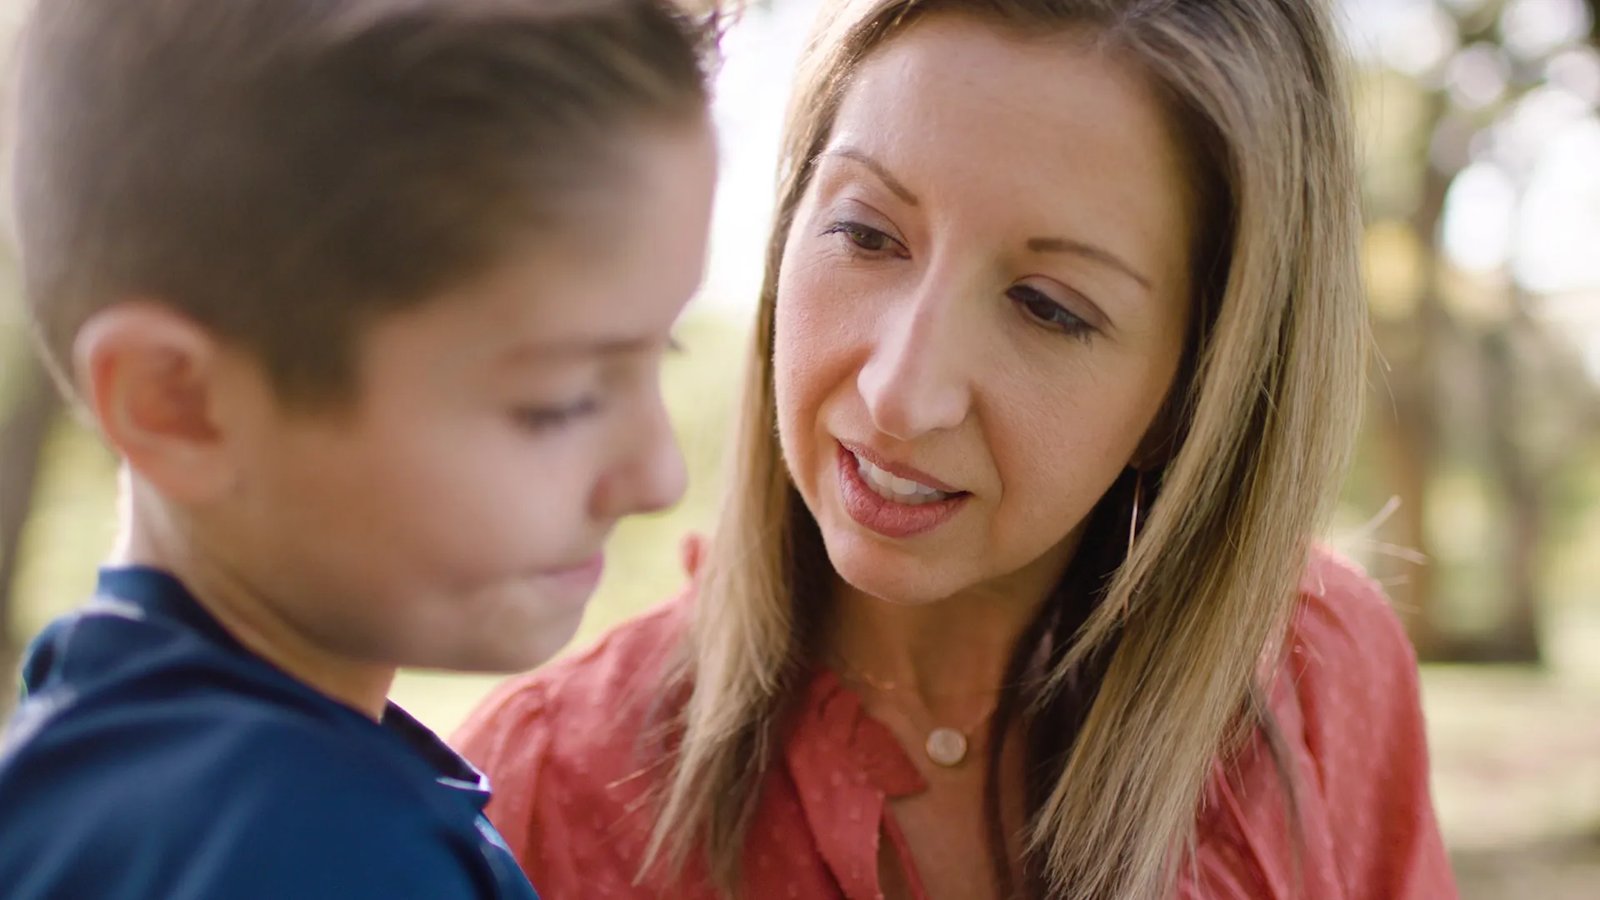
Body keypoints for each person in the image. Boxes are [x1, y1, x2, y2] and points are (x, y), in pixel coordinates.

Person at [455, 0, 1458, 897]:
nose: (900, 392)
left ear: (1191, 393)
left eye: (1047, 307)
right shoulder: (538, 799)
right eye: (867, 235)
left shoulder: (1321, 680)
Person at [0, 0, 718, 897]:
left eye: (661, 352)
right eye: (558, 402)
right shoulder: (311, 853)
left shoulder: (95, 759)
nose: (659, 476)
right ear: (178, 405)